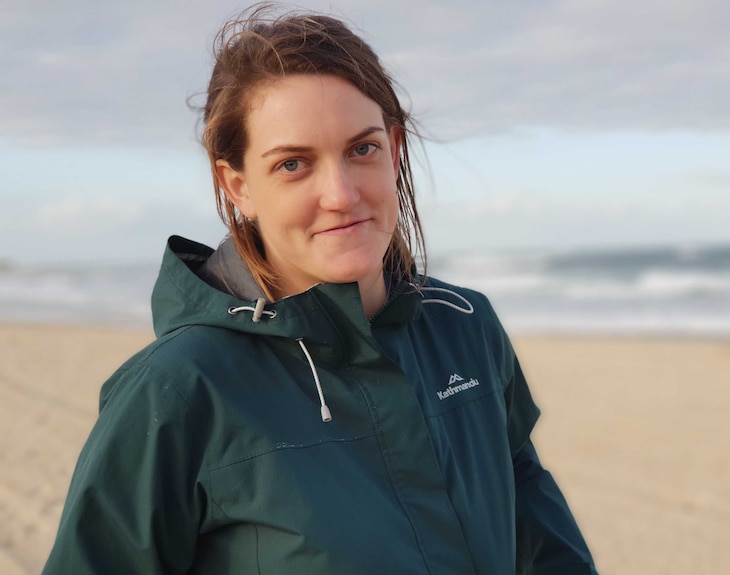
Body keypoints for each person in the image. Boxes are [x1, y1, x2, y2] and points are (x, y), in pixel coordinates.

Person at [43, 6, 599, 575]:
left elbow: (539, 533)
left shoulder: (465, 327)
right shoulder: (176, 391)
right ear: (237, 186)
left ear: (395, 148)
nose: (340, 194)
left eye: (362, 149)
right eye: (292, 164)